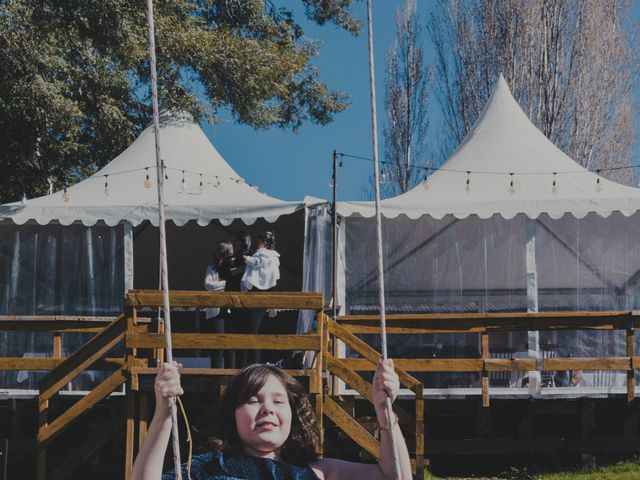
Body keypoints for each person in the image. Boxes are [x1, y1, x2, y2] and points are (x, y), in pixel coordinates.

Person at [131, 361, 412, 480]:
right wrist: (164, 411)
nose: (267, 409)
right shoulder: (207, 467)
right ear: (232, 414)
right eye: (253, 400)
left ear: (293, 414)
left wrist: (384, 409)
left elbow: (396, 477)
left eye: (278, 401)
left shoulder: (318, 471)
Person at [241, 231, 280, 365]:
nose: (257, 243)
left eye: (259, 240)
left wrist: (246, 259)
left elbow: (257, 262)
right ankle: (254, 361)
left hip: (259, 291)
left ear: (264, 242)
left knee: (253, 329)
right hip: (264, 291)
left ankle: (254, 362)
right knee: (255, 328)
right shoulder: (272, 256)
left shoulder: (265, 254)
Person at [203, 241, 233, 368]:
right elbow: (208, 285)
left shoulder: (233, 269)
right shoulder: (212, 269)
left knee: (231, 344)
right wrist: (228, 284)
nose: (218, 255)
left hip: (231, 310)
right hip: (215, 311)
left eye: (221, 252)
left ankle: (231, 373)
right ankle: (214, 374)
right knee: (216, 344)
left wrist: (223, 284)